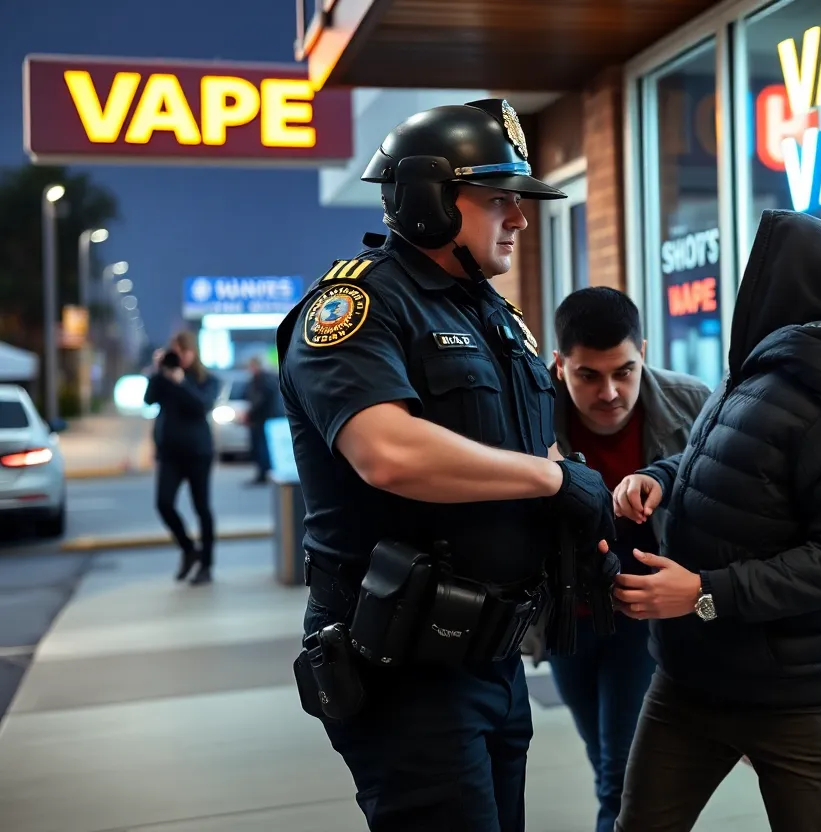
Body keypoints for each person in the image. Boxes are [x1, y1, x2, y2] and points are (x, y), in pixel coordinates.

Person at [276, 99, 617, 832]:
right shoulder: (356, 306)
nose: (520, 220)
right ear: (430, 201)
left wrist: (581, 498)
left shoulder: (493, 316)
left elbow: (529, 445)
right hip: (404, 665)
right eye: (500, 200)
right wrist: (553, 480)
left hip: (489, 654)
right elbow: (388, 453)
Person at [610, 209, 821, 832]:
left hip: (793, 699)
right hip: (691, 681)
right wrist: (659, 480)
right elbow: (714, 460)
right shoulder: (756, 375)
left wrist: (704, 593)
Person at [525, 286, 709, 832]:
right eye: (588, 376)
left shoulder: (693, 403)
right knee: (606, 757)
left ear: (644, 351)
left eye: (624, 371)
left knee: (623, 777)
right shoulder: (529, 415)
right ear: (560, 366)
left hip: (646, 621)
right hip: (567, 619)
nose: (610, 392)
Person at [143, 330, 220, 586]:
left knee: (202, 508)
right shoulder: (164, 377)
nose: (179, 357)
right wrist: (158, 371)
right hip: (170, 455)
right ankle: (189, 549)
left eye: (182, 351)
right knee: (163, 504)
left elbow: (201, 406)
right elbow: (148, 399)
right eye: (174, 351)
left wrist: (180, 381)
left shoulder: (206, 379)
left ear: (192, 352)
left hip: (198, 453)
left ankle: (206, 565)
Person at [243, 356, 279, 485]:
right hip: (262, 419)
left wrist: (251, 413)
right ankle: (263, 473)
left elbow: (262, 400)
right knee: (261, 448)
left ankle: (264, 474)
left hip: (263, 419)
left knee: (262, 448)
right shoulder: (261, 379)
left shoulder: (263, 379)